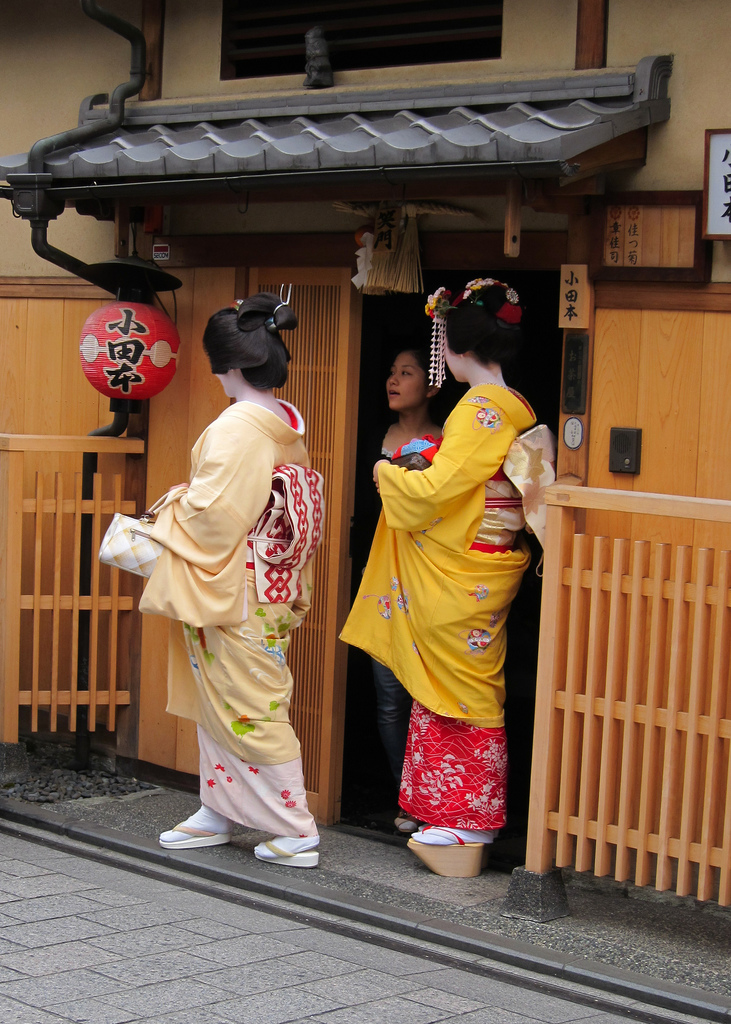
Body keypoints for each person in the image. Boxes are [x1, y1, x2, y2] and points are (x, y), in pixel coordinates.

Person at [341, 278, 535, 876]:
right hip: (478, 564)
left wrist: (386, 473)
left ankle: (469, 819)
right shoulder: (511, 405)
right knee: (448, 690)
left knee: (463, 694)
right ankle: (451, 815)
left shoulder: (479, 409)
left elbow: (435, 491)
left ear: (453, 347)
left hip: (463, 572)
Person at [139, 292, 323, 868]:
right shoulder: (283, 421)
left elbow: (213, 514)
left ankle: (296, 829)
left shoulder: (239, 427)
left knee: (252, 705)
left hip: (237, 587)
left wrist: (168, 507)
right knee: (223, 700)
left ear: (229, 365)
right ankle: (217, 809)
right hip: (264, 583)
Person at [373, 348, 440, 833]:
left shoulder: (449, 443)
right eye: (392, 372)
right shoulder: (375, 436)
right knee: (389, 697)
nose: (393, 380)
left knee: (428, 696)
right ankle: (407, 797)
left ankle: (433, 798)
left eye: (407, 372)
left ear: (431, 385)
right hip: (381, 575)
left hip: (428, 579)